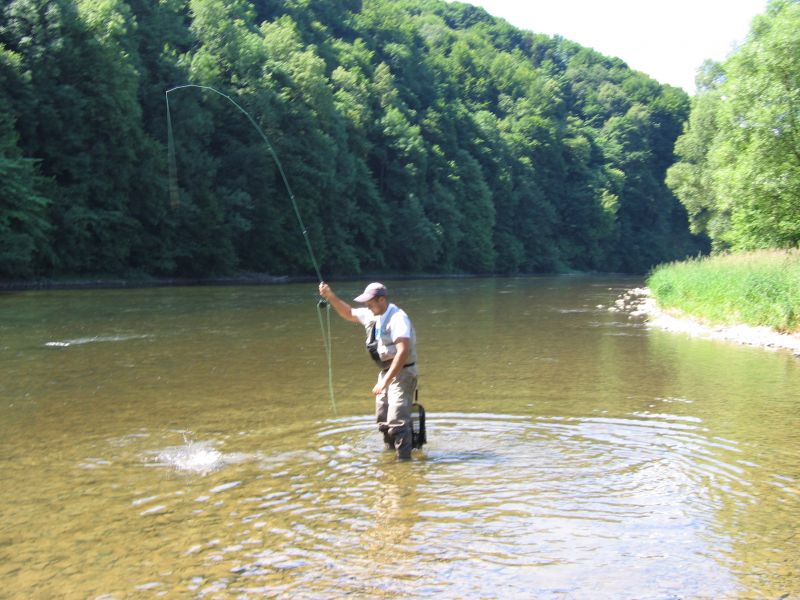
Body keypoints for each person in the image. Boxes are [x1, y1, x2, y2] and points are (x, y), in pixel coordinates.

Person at [318, 281, 418, 459]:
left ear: (382, 299)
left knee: (397, 421)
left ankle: (404, 463)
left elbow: (403, 352)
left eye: (370, 303)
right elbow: (348, 313)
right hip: (386, 373)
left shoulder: (398, 318)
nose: (367, 307)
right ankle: (390, 456)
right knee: (383, 419)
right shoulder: (371, 314)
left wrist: (385, 381)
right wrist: (330, 296)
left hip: (403, 373)